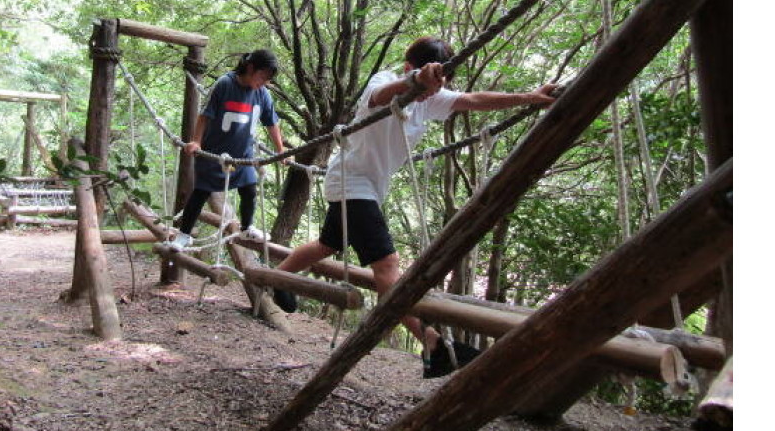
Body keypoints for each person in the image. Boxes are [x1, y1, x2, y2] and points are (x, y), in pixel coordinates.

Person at [271, 37, 557, 378]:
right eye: (428, 84)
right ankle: (432, 343)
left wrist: (530, 97)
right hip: (351, 182)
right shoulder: (385, 81)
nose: (430, 93)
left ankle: (277, 278)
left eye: (437, 86)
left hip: (367, 187)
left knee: (327, 244)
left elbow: (472, 100)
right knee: (387, 263)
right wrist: (414, 82)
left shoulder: (431, 99)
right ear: (409, 68)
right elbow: (379, 96)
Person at [172, 49, 286, 248]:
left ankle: (247, 228)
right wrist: (196, 141)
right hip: (214, 154)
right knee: (200, 194)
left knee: (249, 189)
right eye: (262, 77)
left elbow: (271, 123)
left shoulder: (262, 94)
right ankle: (184, 235)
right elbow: (204, 115)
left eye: (268, 79)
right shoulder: (225, 84)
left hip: (242, 155)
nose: (264, 83)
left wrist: (280, 150)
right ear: (250, 68)